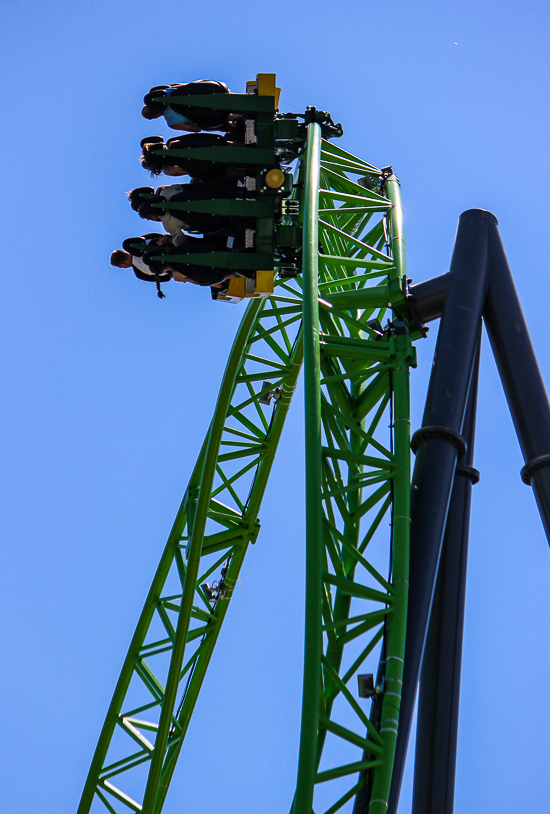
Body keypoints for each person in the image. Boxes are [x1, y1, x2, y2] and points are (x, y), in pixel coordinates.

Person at [140, 133, 246, 181]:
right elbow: (195, 136)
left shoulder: (174, 167)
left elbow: (193, 172)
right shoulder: (172, 142)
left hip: (219, 168)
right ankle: (247, 148)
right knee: (222, 144)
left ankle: (247, 172)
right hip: (217, 143)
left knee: (207, 176)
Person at [141, 81, 232, 132]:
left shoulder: (172, 123)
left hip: (217, 116)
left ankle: (237, 127)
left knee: (205, 123)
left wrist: (191, 124)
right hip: (217, 89)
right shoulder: (171, 88)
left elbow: (196, 129)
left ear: (155, 115)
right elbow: (193, 85)